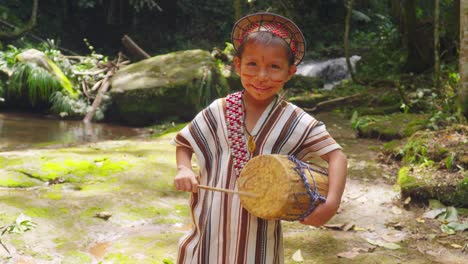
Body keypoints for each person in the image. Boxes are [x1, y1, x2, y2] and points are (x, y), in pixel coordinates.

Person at [172, 12, 347, 264]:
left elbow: (336, 156)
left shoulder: (295, 120)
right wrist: (183, 169)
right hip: (208, 231)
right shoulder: (219, 110)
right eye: (252, 64)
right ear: (237, 65)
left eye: (274, 67)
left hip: (259, 242)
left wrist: (330, 205)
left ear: (290, 72)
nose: (262, 76)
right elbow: (185, 142)